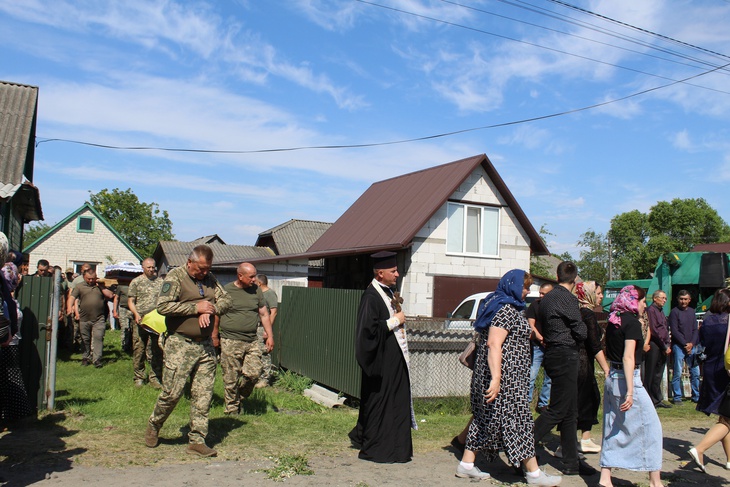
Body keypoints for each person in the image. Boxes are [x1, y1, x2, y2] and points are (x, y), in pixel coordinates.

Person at [456, 269, 562, 485]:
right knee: (520, 421)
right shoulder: (505, 310)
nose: (527, 291)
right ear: (512, 286)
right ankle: (533, 473)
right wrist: (496, 379)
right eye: (525, 287)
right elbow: (494, 344)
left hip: (504, 376)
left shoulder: (500, 306)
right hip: (506, 379)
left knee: (485, 418)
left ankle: (466, 464)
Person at [145, 245, 231, 457]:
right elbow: (163, 306)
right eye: (201, 268)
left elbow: (226, 300)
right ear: (189, 262)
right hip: (180, 344)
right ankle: (155, 424)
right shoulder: (176, 277)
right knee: (172, 393)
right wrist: (195, 308)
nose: (204, 272)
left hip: (205, 346)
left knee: (203, 394)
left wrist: (210, 309)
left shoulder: (210, 279)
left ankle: (197, 440)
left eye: (207, 268)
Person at [348, 251, 415, 463]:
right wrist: (396, 321)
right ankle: (381, 447)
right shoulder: (371, 297)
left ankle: (397, 447)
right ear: (380, 274)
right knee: (381, 403)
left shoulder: (387, 292)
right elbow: (368, 331)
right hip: (382, 363)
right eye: (393, 271)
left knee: (397, 401)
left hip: (394, 361)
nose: (397, 274)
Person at [533, 261, 595, 476]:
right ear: (575, 278)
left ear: (557, 276)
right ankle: (522, 447)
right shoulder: (567, 298)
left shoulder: (547, 298)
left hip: (553, 352)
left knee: (570, 412)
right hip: (565, 354)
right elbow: (581, 331)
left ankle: (571, 462)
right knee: (559, 409)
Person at [599, 285, 663, 487]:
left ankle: (605, 478)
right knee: (652, 427)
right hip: (628, 379)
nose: (644, 305)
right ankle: (655, 481)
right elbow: (628, 357)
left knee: (612, 427)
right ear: (634, 301)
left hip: (613, 377)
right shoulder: (632, 323)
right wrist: (630, 391)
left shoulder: (613, 320)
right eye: (643, 301)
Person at [212, 263, 273, 415]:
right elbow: (217, 314)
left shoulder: (256, 290)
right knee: (231, 377)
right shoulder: (227, 291)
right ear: (240, 276)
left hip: (251, 340)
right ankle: (232, 409)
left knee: (254, 373)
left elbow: (264, 314)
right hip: (230, 340)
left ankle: (239, 397)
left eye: (255, 276)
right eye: (251, 276)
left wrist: (270, 336)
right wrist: (214, 335)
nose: (254, 279)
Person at [688, 288, 730, 473]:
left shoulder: (707, 321)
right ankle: (699, 449)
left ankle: (729, 460)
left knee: (724, 415)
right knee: (728, 419)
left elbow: (703, 344)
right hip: (726, 371)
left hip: (711, 369)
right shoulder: (728, 321)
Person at [0, 237, 34, 425]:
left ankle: (10, 416)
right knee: (9, 379)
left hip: (8, 342)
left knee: (8, 379)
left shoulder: (9, 300)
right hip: (7, 341)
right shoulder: (9, 300)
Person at [572, 281, 609, 454]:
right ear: (588, 294)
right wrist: (606, 368)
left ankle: (570, 442)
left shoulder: (576, 312)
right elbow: (594, 345)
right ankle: (583, 439)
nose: (601, 296)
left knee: (577, 401)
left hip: (575, 362)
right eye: (598, 293)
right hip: (583, 363)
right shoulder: (588, 314)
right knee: (588, 399)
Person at [127, 258, 164, 388]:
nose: (151, 269)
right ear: (143, 268)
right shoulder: (136, 282)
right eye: (148, 267)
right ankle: (139, 377)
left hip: (156, 321)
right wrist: (136, 314)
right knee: (139, 349)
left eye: (153, 267)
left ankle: (155, 378)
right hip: (141, 320)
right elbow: (131, 301)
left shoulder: (160, 282)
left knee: (157, 350)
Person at [71, 269, 114, 368]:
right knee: (85, 339)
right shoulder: (79, 286)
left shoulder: (100, 286)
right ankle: (85, 357)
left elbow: (110, 295)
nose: (91, 281)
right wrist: (70, 308)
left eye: (93, 278)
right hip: (84, 318)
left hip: (99, 318)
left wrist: (101, 286)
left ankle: (97, 359)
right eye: (88, 279)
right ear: (84, 277)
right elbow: (72, 297)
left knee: (98, 337)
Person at [526, 282, 554, 414]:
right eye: (540, 293)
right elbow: (531, 325)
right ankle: (526, 403)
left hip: (551, 347)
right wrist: (540, 338)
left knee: (549, 378)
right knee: (531, 375)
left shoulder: (556, 306)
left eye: (544, 294)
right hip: (537, 346)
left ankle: (543, 404)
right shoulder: (534, 305)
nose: (541, 296)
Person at [669, 289, 700, 403]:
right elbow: (674, 331)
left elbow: (695, 329)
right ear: (678, 299)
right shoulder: (674, 312)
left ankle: (696, 396)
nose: (683, 301)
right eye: (681, 299)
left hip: (692, 346)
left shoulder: (692, 311)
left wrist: (692, 343)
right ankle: (677, 397)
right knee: (677, 372)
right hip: (679, 346)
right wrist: (685, 344)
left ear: (689, 300)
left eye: (686, 299)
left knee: (695, 373)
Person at [645, 290, 672, 408]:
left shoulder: (661, 311)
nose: (664, 300)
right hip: (655, 345)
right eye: (662, 298)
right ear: (655, 298)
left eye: (665, 298)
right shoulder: (651, 310)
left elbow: (664, 328)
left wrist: (667, 344)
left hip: (663, 345)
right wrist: (663, 346)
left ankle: (657, 399)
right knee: (650, 373)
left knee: (658, 374)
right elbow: (654, 330)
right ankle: (649, 399)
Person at [255, 273, 278, 388]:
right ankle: (256, 376)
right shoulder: (258, 294)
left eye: (255, 282)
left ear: (259, 283)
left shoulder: (269, 294)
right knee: (255, 352)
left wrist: (267, 330)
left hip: (262, 327)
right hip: (255, 326)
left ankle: (264, 378)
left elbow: (273, 312)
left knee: (264, 352)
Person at [114, 279, 133, 354]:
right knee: (125, 327)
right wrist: (115, 311)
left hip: (133, 309)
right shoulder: (121, 286)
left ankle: (131, 344)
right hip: (123, 308)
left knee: (132, 328)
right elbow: (116, 298)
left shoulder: (135, 285)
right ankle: (124, 345)